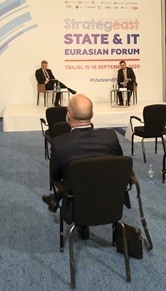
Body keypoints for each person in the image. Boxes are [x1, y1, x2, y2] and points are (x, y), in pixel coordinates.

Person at [41, 94, 123, 239]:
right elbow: (118, 164)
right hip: (109, 196)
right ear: (92, 114)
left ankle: (57, 200)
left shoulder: (59, 143)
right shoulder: (110, 136)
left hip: (76, 197)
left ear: (68, 116)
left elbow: (55, 177)